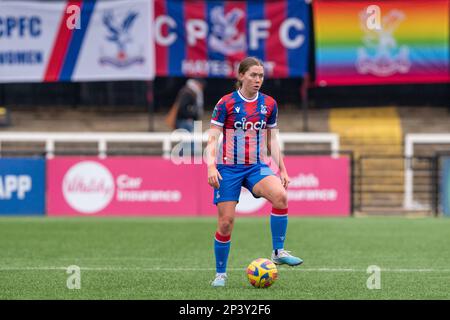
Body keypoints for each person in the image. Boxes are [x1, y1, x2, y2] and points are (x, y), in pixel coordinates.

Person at [206, 57, 303, 287]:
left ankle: (278, 252)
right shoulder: (226, 103)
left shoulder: (269, 104)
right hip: (228, 168)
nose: (258, 80)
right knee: (226, 223)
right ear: (241, 76)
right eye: (253, 75)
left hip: (256, 166)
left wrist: (283, 169)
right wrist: (210, 165)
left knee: (280, 196)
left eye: (261, 76)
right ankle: (220, 274)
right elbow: (212, 137)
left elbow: (271, 138)